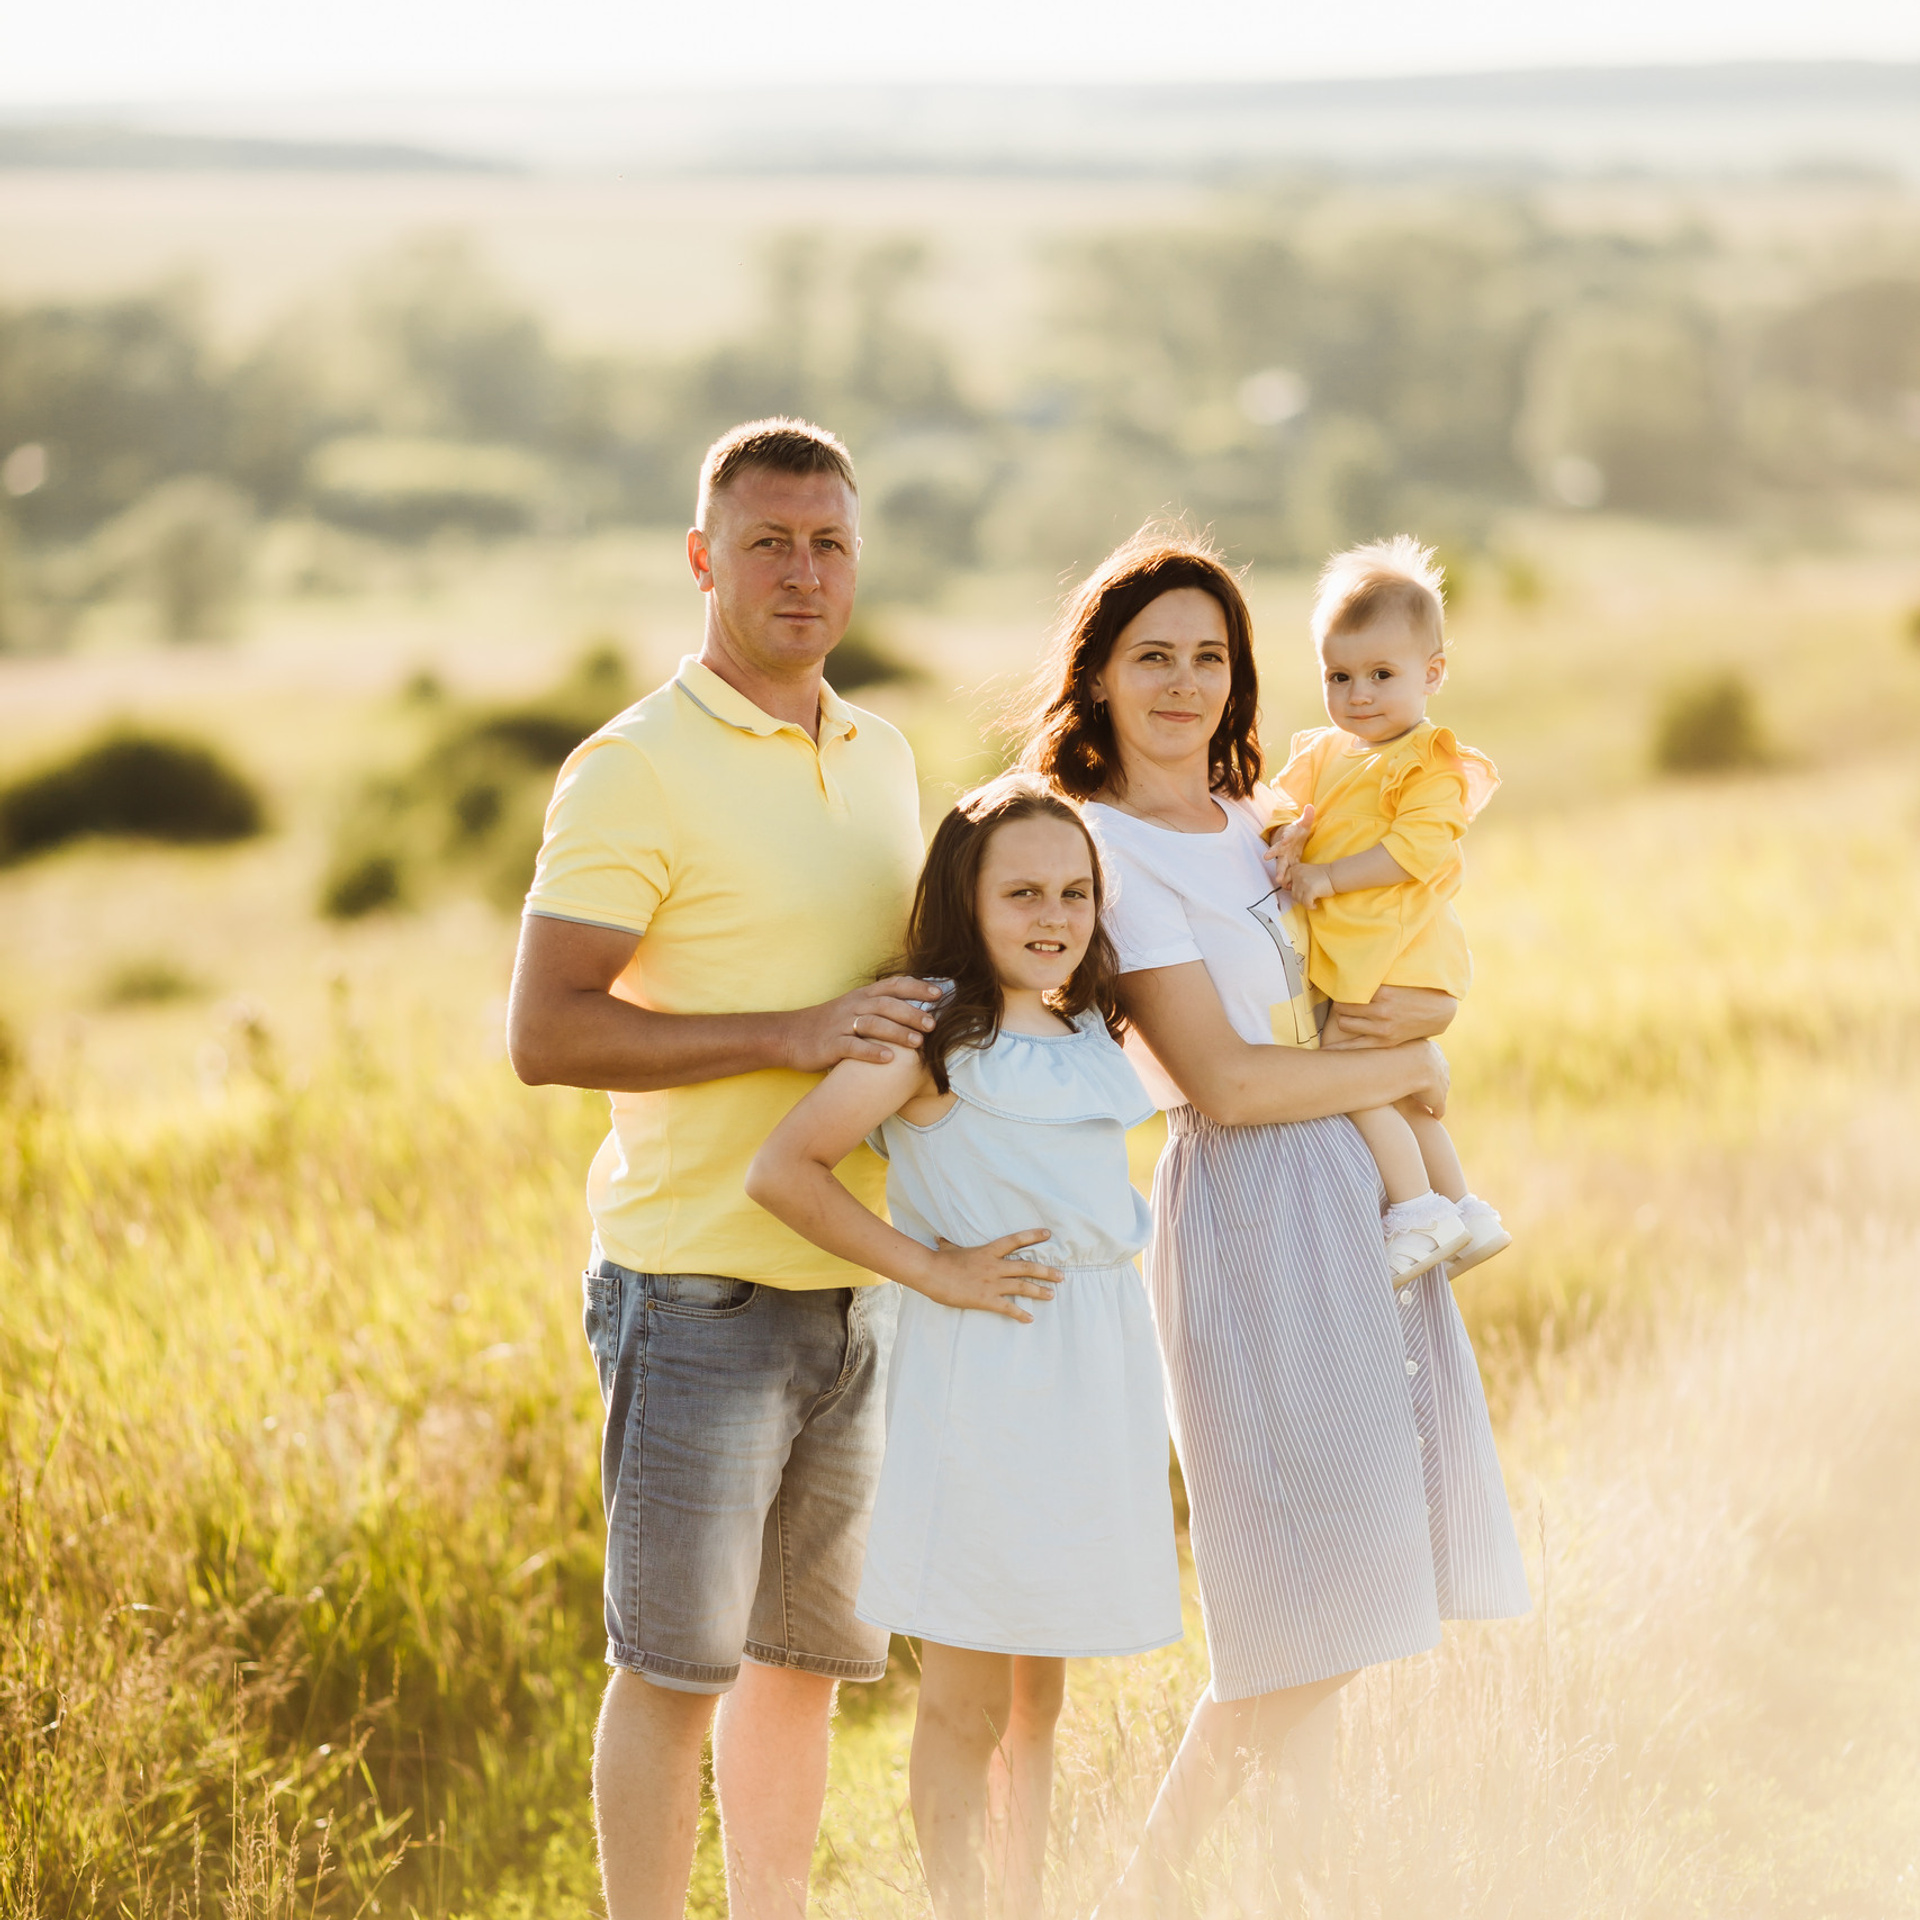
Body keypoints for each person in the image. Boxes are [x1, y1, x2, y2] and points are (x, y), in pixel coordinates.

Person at [1021, 524, 1530, 1907]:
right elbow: (1230, 1084)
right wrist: (1408, 1072)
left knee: (1365, 1581)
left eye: (1209, 656)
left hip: (1353, 1190)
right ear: (1102, 678)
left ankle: (1317, 1886)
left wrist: (1393, 1078)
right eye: (1152, 657)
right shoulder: (1106, 848)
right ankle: (1145, 1888)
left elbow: (1393, 906)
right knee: (1294, 1601)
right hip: (1249, 1209)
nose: (1185, 683)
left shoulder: (1261, 822)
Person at [506, 418, 939, 1920]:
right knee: (672, 1676)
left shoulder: (883, 754)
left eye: (829, 542)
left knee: (803, 1676)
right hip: (694, 1294)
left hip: (854, 1289)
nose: (803, 572)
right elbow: (546, 1033)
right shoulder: (633, 767)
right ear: (704, 558)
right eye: (768, 542)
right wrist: (797, 1030)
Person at [746, 773, 1182, 1920]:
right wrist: (934, 1268)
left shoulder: (1097, 1026)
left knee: (1045, 1692)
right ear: (967, 899)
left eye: (1076, 891)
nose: (1055, 915)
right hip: (986, 1376)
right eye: (1023, 891)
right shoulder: (933, 1034)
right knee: (968, 1698)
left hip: (1096, 1363)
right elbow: (784, 1169)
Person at [1263, 535, 1510, 1283]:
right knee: (1402, 1095)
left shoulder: (1428, 761)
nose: (1358, 694)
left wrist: (1327, 877)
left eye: (1381, 674)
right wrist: (1284, 834)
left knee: (1348, 1075)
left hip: (1401, 958)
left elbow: (1418, 851)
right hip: (1360, 959)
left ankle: (1417, 1212)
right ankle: (1467, 1211)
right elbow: (1273, 804)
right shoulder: (1323, 752)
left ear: (1431, 674)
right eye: (1340, 675)